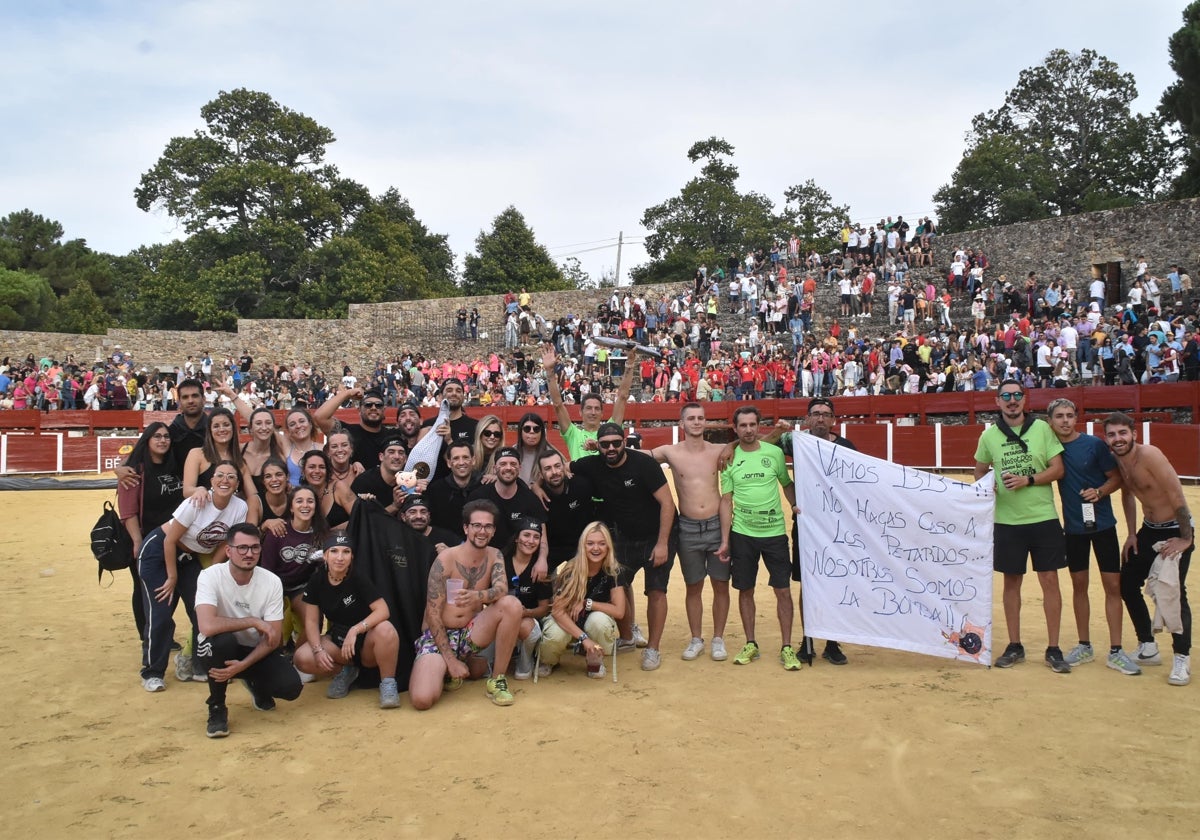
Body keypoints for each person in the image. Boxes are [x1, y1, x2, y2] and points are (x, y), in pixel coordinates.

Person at [974, 381, 1070, 673]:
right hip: (1007, 521)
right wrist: (991, 486)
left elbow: (1058, 468)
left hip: (1043, 517)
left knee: (1050, 581)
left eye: (1017, 395)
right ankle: (1015, 644)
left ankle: (1053, 648)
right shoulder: (989, 436)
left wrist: (1027, 480)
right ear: (998, 401)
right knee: (1011, 582)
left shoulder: (1041, 429)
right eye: (1006, 396)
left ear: (1024, 399)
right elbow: (979, 472)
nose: (1012, 400)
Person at [570, 422, 676, 671]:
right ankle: (628, 637)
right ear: (598, 445)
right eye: (605, 444)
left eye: (616, 443)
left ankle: (653, 648)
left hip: (655, 535)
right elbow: (561, 468)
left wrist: (662, 544)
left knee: (656, 590)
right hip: (624, 538)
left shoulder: (644, 464)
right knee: (617, 585)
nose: (611, 448)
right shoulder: (593, 464)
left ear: (624, 442)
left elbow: (668, 504)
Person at [136, 461, 249, 692]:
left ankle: (200, 665)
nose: (225, 480)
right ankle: (152, 672)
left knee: (202, 610)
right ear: (211, 481)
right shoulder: (197, 502)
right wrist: (172, 577)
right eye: (220, 475)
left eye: (231, 476)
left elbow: (226, 544)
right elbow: (169, 540)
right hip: (159, 553)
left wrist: (209, 573)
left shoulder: (240, 507)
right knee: (160, 613)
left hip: (189, 558)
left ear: (237, 484)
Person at [1046, 399, 1140, 674]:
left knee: (1113, 586)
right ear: (1050, 421)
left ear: (1076, 418)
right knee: (1079, 585)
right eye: (1059, 416)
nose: (1065, 420)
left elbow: (1115, 478)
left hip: (1103, 526)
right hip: (1073, 529)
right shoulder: (1049, 448)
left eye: (1069, 415)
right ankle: (1084, 645)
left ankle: (1116, 650)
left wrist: (1100, 492)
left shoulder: (1095, 445)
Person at [407, 501, 525, 710]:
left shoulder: (494, 554)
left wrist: (476, 597)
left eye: (488, 526)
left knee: (512, 605)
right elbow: (433, 615)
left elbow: (501, 590)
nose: (482, 531)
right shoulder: (446, 559)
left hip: (471, 632)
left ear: (494, 530)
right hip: (439, 636)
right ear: (466, 528)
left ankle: (497, 680)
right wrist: (450, 660)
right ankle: (450, 667)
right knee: (422, 700)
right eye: (476, 525)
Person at [1104, 412, 1193, 686]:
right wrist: (1132, 533)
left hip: (1174, 529)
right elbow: (1128, 494)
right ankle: (1148, 646)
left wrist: (1186, 538)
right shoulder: (1119, 460)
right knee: (1127, 583)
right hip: (1148, 528)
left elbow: (1176, 494)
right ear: (1106, 438)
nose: (1118, 439)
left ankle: (1181, 657)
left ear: (1133, 434)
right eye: (1112, 434)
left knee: (1173, 592)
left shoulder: (1150, 455)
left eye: (1122, 433)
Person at [195, 523, 304, 737]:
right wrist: (253, 621)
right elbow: (206, 625)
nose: (249, 554)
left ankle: (255, 682)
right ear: (229, 551)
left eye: (255, 548)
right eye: (242, 548)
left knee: (291, 688)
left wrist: (243, 666)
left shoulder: (271, 581)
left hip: (255, 649)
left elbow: (272, 638)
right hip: (219, 647)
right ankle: (216, 707)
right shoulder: (209, 576)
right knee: (222, 642)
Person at [717, 406, 801, 671]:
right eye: (743, 426)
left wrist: (797, 507)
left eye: (753, 424)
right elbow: (726, 500)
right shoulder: (729, 459)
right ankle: (750, 642)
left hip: (774, 532)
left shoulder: (774, 453)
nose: (749, 430)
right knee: (746, 589)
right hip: (742, 533)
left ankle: (787, 646)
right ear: (736, 428)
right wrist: (725, 539)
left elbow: (786, 484)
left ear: (759, 425)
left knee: (783, 590)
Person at [651, 403, 730, 662]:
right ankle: (696, 638)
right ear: (681, 423)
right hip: (687, 527)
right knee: (693, 586)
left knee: (720, 585)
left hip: (717, 525)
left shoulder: (720, 450)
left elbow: (756, 443)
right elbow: (636, 454)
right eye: (691, 418)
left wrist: (777, 430)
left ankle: (718, 638)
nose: (697, 422)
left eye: (701, 418)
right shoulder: (670, 452)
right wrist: (602, 447)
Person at [293, 532, 402, 707]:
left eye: (346, 552)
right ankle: (345, 671)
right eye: (334, 551)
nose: (340, 557)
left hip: (366, 641)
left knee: (386, 629)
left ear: (352, 556)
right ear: (325, 555)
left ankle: (388, 684)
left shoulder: (358, 577)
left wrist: (356, 629)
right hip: (338, 642)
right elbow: (312, 621)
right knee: (302, 657)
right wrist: (318, 650)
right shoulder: (317, 580)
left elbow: (383, 610)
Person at [118, 422, 184, 643]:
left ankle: (159, 630)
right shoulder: (134, 471)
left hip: (174, 539)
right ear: (147, 440)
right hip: (145, 539)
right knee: (144, 588)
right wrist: (137, 540)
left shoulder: (176, 465)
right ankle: (147, 635)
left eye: (166, 436)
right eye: (157, 436)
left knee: (169, 586)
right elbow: (128, 511)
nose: (163, 440)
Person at [539, 521, 627, 678]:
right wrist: (584, 639)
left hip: (590, 619)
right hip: (566, 620)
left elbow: (619, 611)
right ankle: (549, 660)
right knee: (556, 634)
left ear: (608, 547)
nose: (596, 548)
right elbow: (558, 611)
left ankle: (594, 660)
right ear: (583, 546)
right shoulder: (571, 570)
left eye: (602, 543)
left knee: (599, 622)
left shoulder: (613, 571)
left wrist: (588, 604)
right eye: (590, 543)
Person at [259, 485, 328, 663]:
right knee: (275, 629)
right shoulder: (278, 531)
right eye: (299, 501)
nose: (305, 505)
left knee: (314, 617)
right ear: (291, 507)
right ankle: (275, 658)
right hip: (274, 586)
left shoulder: (320, 533)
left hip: (300, 587)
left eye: (310, 501)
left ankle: (296, 659)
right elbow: (266, 571)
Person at [542, 342, 634, 461]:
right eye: (589, 408)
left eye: (597, 408)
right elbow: (557, 404)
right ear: (581, 412)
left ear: (602, 413)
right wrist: (549, 371)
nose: (593, 412)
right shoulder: (573, 434)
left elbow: (622, 396)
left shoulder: (611, 430)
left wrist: (630, 363)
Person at [468, 447, 549, 575]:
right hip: (484, 558)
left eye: (513, 464)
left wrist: (542, 559)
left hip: (518, 561)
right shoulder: (478, 496)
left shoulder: (530, 499)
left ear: (519, 468)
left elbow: (542, 534)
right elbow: (468, 531)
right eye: (503, 464)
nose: (508, 468)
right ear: (495, 468)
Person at [502, 516, 553, 680]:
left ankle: (525, 661)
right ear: (516, 538)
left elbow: (545, 608)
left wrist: (526, 612)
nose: (531, 541)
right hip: (501, 618)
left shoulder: (540, 568)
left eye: (536, 537)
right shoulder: (501, 561)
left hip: (529, 620)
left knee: (524, 625)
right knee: (480, 670)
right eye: (526, 535)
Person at [536, 448, 597, 566]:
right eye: (548, 468)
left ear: (564, 467)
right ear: (540, 475)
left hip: (582, 549)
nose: (554, 472)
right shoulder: (537, 497)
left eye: (557, 466)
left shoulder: (581, 485)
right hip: (552, 552)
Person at [313, 386, 398, 470]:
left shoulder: (392, 436)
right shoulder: (346, 432)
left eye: (378, 405)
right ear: (359, 409)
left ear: (384, 409)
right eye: (368, 405)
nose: (373, 408)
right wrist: (348, 393)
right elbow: (320, 417)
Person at [418, 378, 477, 481]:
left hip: (466, 489)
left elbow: (476, 463)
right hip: (432, 487)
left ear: (463, 396)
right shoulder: (429, 425)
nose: (454, 393)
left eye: (458, 391)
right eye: (449, 390)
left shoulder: (475, 426)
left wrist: (449, 441)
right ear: (440, 396)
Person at [426, 440, 481, 534]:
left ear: (473, 460)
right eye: (456, 458)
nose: (461, 462)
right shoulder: (436, 489)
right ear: (448, 463)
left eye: (465, 457)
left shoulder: (483, 486)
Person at [299, 450, 357, 531]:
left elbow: (359, 518)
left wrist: (329, 533)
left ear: (327, 471)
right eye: (312, 467)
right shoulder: (300, 494)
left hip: (346, 540)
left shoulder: (339, 487)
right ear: (303, 471)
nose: (317, 471)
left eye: (322, 467)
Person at [513, 412, 552, 485]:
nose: (531, 432)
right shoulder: (512, 452)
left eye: (536, 429)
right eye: (527, 429)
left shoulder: (550, 453)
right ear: (520, 431)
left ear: (542, 432)